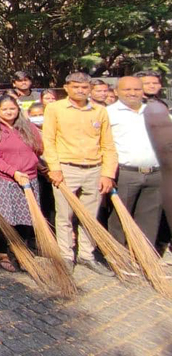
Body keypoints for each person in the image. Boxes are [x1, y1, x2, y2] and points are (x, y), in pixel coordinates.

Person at [43, 72, 117, 276]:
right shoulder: (55, 109)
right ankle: (65, 255)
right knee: (64, 216)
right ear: (66, 88)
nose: (80, 91)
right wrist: (55, 168)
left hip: (94, 168)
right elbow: (48, 140)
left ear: (90, 89)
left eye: (84, 87)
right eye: (76, 87)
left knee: (90, 216)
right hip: (66, 168)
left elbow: (108, 144)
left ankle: (86, 254)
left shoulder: (99, 111)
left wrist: (108, 173)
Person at [0, 95, 42, 272]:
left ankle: (21, 251)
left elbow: (39, 148)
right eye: (5, 109)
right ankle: (2, 252)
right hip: (5, 180)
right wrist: (13, 172)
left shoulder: (28, 127)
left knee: (26, 218)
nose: (9, 112)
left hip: (29, 178)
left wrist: (31, 166)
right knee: (4, 218)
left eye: (12, 108)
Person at [107, 77, 163, 250]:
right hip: (126, 173)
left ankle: (144, 255)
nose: (132, 93)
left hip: (155, 173)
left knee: (150, 218)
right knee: (120, 217)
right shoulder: (108, 113)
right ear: (116, 91)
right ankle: (120, 256)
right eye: (127, 90)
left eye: (137, 89)